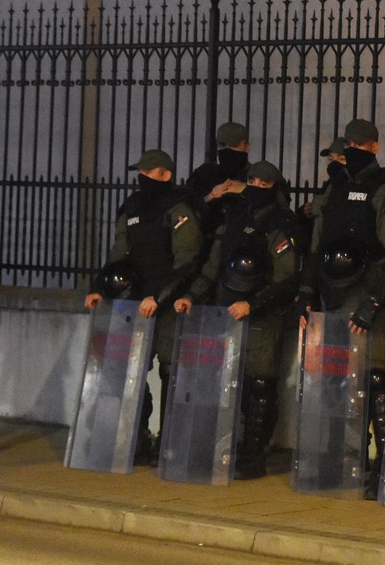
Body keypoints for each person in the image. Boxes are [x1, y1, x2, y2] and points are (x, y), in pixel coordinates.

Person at [296, 119, 385, 499]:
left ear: (375, 147)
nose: (354, 151)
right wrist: (306, 293)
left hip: (370, 295)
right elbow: (317, 245)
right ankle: (340, 459)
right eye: (350, 144)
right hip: (332, 296)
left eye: (361, 145)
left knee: (375, 379)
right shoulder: (335, 188)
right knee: (333, 380)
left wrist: (373, 303)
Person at [175, 160, 302, 479]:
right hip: (226, 310)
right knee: (224, 381)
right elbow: (213, 266)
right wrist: (191, 295)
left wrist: (253, 304)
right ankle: (222, 448)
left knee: (259, 384)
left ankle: (253, 457)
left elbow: (287, 278)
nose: (257, 188)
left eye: (264, 184)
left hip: (262, 314)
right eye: (253, 182)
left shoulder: (281, 221)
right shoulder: (235, 216)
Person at [84, 149, 203, 465]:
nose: (142, 178)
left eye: (149, 173)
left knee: (170, 370)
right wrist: (99, 287)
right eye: (141, 172)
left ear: (166, 174)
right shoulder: (132, 206)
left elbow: (187, 260)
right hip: (133, 301)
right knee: (127, 369)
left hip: (166, 303)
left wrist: (160, 297)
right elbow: (118, 252)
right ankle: (137, 437)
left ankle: (169, 443)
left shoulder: (179, 208)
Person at [186, 122, 252, 254]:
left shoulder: (258, 175)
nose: (227, 150)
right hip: (205, 247)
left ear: (247, 146)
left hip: (245, 247)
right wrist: (210, 197)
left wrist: (247, 189)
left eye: (234, 145)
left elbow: (277, 208)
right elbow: (186, 209)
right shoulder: (204, 174)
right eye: (222, 145)